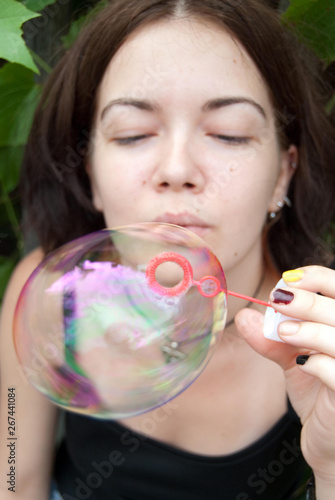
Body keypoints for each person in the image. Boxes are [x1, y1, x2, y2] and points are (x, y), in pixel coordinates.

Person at [1, 0, 335, 498]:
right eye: (134, 134)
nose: (176, 169)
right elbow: (11, 474)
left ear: (282, 174)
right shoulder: (48, 291)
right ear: (89, 172)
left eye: (229, 134)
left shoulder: (317, 338)